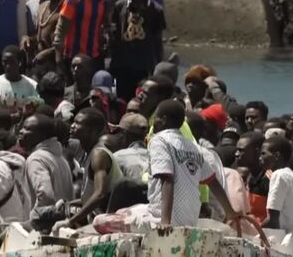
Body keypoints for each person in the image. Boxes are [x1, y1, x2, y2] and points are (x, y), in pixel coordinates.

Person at [93, 100, 239, 235]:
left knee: (99, 221)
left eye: (155, 118)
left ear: (162, 120)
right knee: (126, 211)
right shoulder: (193, 147)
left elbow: (167, 180)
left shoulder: (159, 141)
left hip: (160, 218)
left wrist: (165, 222)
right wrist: (230, 212)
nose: (152, 122)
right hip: (190, 220)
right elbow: (212, 181)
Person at [59, 108, 123, 229]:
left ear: (93, 130)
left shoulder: (99, 155)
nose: (72, 126)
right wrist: (68, 203)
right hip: (97, 219)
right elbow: (88, 198)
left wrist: (70, 221)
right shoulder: (89, 153)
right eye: (73, 122)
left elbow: (100, 195)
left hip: (107, 221)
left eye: (78, 123)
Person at [110, 0, 165, 100]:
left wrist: (159, 65)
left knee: (142, 98)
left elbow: (158, 40)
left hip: (144, 64)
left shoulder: (155, 10)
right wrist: (112, 62)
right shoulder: (120, 6)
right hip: (123, 64)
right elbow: (115, 36)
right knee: (122, 99)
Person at [54, 0, 116, 72]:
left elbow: (105, 24)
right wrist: (58, 58)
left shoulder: (103, 1)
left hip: (95, 56)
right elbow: (61, 29)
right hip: (75, 57)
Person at [261, 136, 293, 250]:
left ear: (277, 155)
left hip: (280, 246)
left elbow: (272, 220)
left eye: (263, 154)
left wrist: (254, 232)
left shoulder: (279, 175)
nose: (260, 158)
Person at [21, 114, 74, 209]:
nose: (21, 131)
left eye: (27, 129)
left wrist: (35, 216)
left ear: (42, 135)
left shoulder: (37, 159)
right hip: (63, 216)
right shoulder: (60, 158)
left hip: (46, 217)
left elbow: (46, 195)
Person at [21, 0, 68, 71]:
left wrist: (48, 52)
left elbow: (69, 41)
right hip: (41, 64)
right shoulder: (42, 7)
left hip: (59, 64)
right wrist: (28, 39)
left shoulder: (67, 7)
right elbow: (39, 36)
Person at [0, 46, 41, 112]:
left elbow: (37, 107)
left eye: (12, 62)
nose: (8, 66)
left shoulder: (32, 85)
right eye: (5, 62)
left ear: (20, 62)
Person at [235, 131, 269, 222]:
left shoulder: (269, 179)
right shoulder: (249, 177)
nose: (236, 154)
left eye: (241, 150)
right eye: (237, 150)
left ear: (257, 152)